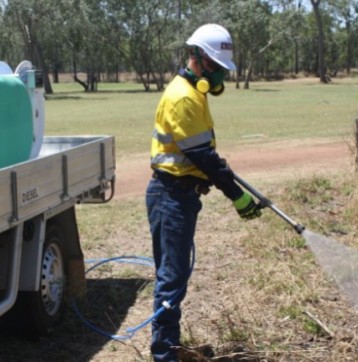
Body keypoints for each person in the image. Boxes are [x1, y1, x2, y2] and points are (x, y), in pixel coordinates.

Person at [146, 23, 262, 362]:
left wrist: (222, 174)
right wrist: (237, 197)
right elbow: (204, 158)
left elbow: (203, 154)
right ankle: (164, 355)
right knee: (172, 279)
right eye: (213, 67)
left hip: (178, 194)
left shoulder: (193, 93)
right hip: (172, 195)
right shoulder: (183, 96)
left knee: (172, 276)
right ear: (194, 58)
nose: (218, 76)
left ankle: (170, 347)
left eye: (221, 69)